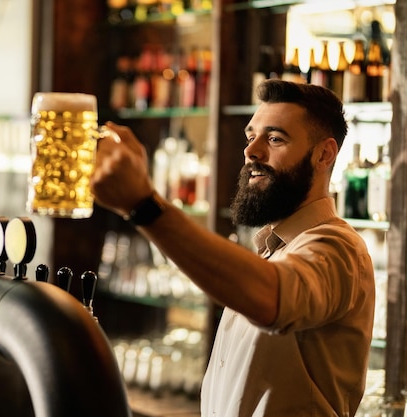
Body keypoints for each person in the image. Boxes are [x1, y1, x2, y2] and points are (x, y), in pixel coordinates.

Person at [91, 79, 375, 416]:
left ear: (324, 154)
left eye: (274, 138)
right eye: (250, 137)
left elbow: (275, 299)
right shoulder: (274, 248)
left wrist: (145, 207)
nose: (251, 151)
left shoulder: (339, 249)